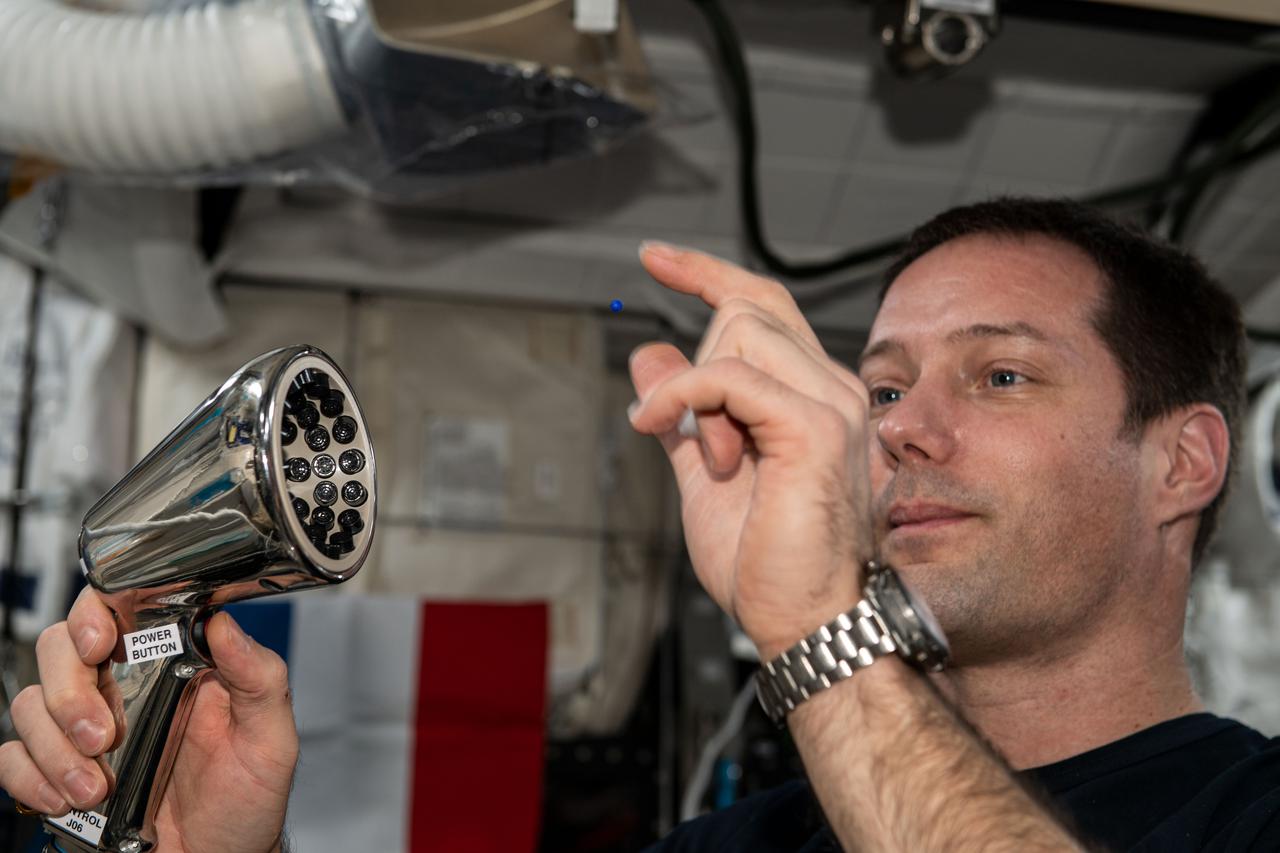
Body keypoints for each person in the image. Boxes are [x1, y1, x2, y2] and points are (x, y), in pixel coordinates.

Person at [0, 196, 1275, 852]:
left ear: (1181, 460)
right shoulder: (735, 845)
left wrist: (813, 624)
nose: (900, 429)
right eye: (880, 386)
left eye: (998, 375)